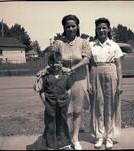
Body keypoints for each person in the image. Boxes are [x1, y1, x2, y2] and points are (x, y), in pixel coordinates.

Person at [52, 14, 92, 150]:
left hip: (79, 80)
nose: (70, 28)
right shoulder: (58, 43)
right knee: (65, 110)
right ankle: (66, 138)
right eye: (67, 26)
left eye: (73, 26)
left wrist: (72, 68)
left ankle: (75, 138)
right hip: (63, 81)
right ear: (64, 27)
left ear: (77, 27)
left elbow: (86, 60)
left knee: (77, 111)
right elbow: (52, 60)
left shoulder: (83, 42)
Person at [89, 17, 123, 150]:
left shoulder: (114, 45)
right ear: (96, 30)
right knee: (98, 105)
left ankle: (109, 137)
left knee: (110, 106)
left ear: (108, 29)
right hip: (96, 72)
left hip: (111, 73)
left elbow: (119, 66)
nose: (102, 30)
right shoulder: (91, 45)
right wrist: (90, 83)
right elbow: (90, 65)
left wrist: (120, 84)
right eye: (99, 28)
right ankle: (99, 136)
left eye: (104, 28)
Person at [33, 51, 72, 150]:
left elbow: (69, 89)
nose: (55, 64)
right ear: (49, 64)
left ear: (61, 63)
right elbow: (41, 91)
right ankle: (50, 145)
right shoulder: (45, 77)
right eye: (53, 62)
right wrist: (45, 103)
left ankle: (64, 144)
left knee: (62, 123)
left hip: (62, 105)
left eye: (58, 62)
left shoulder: (65, 76)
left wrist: (67, 99)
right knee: (50, 125)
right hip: (50, 105)